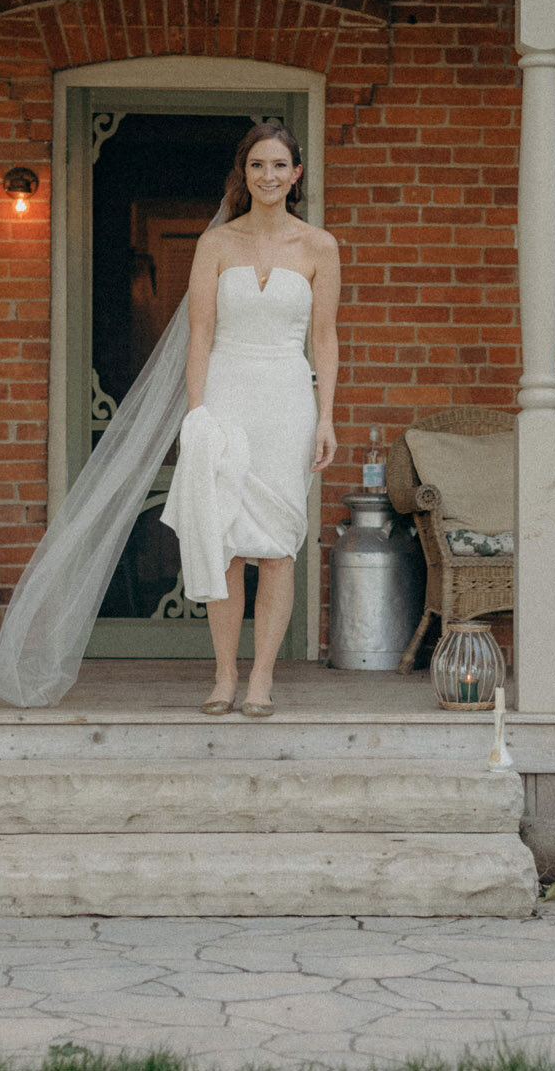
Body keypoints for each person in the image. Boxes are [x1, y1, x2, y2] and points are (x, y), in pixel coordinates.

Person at [160, 121, 340, 718]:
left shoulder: (320, 246)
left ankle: (261, 677)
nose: (268, 176)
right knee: (226, 544)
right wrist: (196, 418)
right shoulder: (216, 244)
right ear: (245, 173)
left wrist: (327, 417)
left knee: (277, 550)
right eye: (257, 165)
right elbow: (201, 335)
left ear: (297, 175)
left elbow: (325, 336)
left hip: (289, 401)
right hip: (227, 396)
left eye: (279, 166)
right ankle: (223, 675)